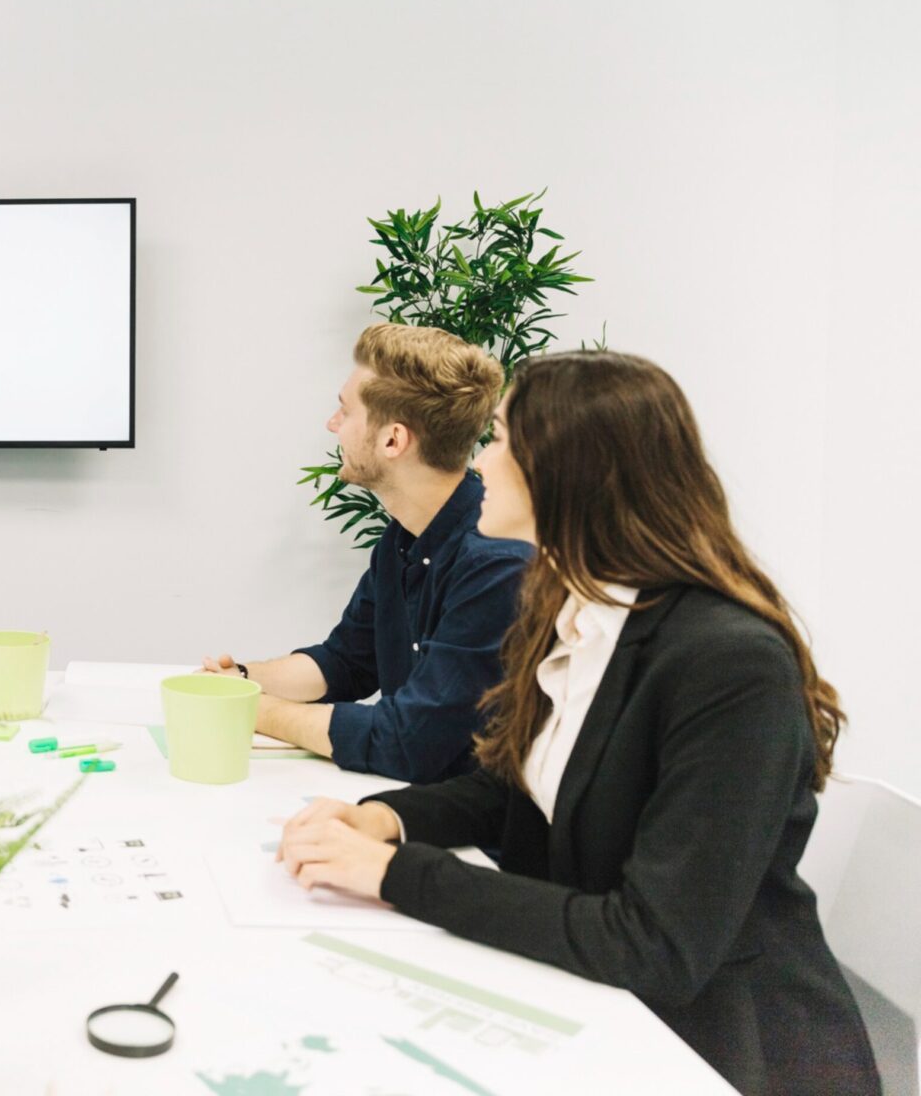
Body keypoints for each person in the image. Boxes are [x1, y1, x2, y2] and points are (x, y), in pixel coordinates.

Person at [277, 350, 879, 1096]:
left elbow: (657, 943)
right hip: (590, 1006)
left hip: (719, 1049)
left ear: (568, 470)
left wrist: (398, 876)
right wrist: (384, 820)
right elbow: (519, 791)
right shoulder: (575, 615)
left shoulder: (729, 664)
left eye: (499, 441)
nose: (481, 465)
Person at [200, 323, 531, 782]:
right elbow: (346, 663)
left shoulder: (497, 565)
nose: (332, 423)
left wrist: (250, 707)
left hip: (471, 837)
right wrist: (238, 678)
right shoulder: (402, 538)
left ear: (392, 440)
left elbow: (408, 741)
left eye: (344, 409)